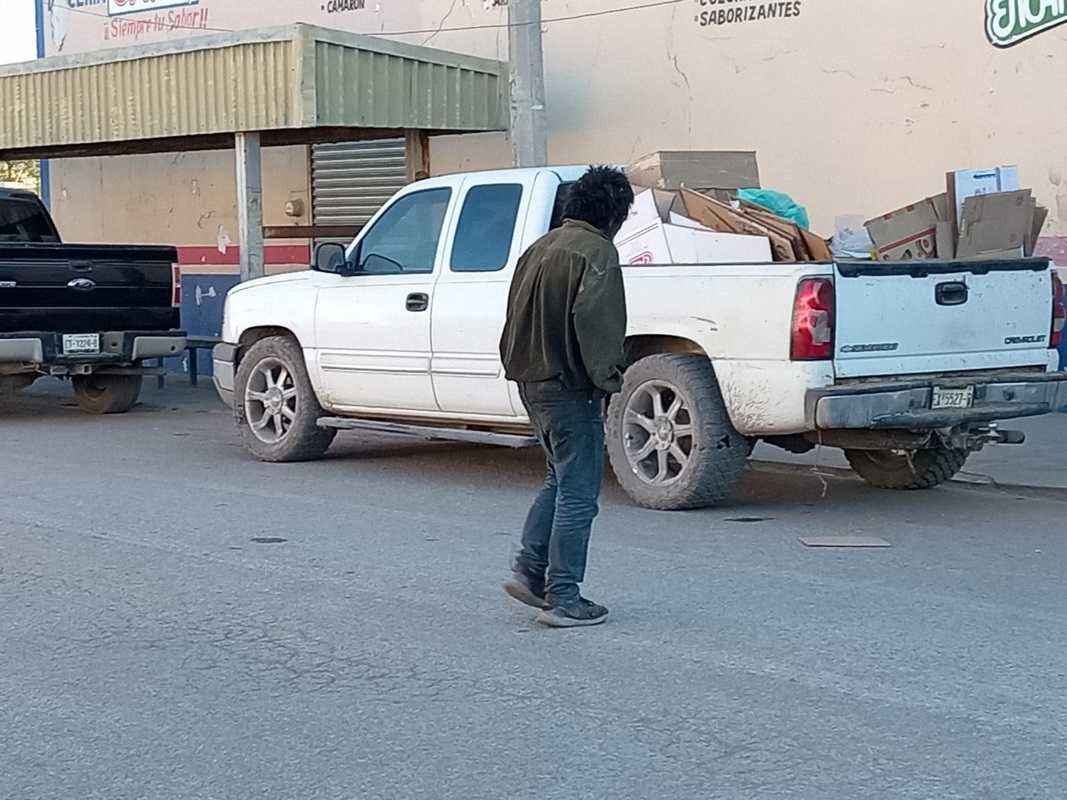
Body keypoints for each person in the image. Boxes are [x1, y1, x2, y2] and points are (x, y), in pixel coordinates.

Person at [499, 165, 635, 628]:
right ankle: (564, 597)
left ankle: (529, 572)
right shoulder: (597, 253)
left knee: (558, 481)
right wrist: (609, 379)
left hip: (530, 381)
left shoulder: (539, 248)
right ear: (617, 216)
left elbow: (513, 318)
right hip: (569, 388)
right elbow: (598, 327)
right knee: (578, 494)